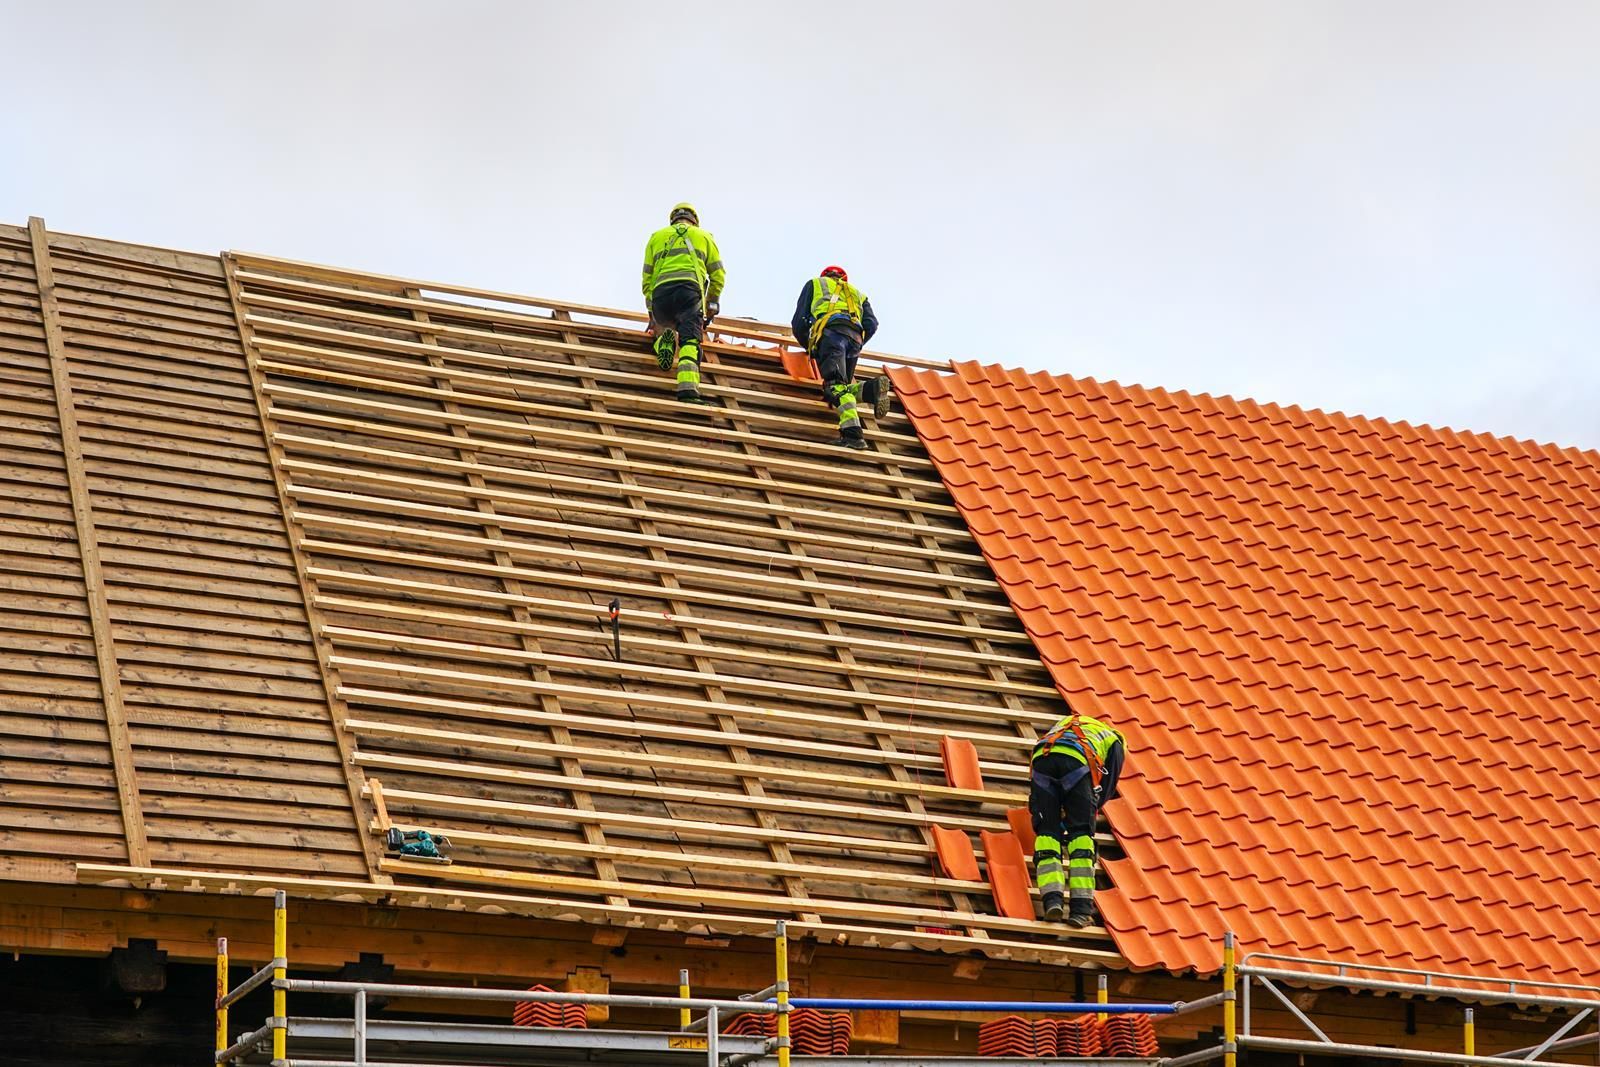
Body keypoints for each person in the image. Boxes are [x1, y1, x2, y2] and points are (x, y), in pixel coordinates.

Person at [1029, 709, 1126, 926]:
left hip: (1042, 760)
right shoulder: (1116, 741)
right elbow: (1105, 790)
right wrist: (1080, 815)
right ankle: (1081, 910)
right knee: (1081, 836)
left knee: (1047, 833)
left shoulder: (1065, 725)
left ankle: (1052, 900)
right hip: (1078, 764)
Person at [789, 266, 891, 449]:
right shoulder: (858, 293)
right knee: (840, 388)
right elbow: (872, 324)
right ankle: (871, 389)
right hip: (855, 339)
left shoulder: (815, 283)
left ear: (825, 275)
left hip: (831, 334)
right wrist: (857, 344)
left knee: (835, 387)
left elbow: (799, 322)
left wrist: (811, 348)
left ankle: (853, 435)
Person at [642, 203, 726, 403]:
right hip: (689, 294)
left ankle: (663, 339)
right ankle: (688, 389)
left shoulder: (656, 237)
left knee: (664, 326)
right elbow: (718, 275)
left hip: (661, 295)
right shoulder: (704, 237)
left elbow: (647, 279)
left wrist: (651, 312)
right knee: (690, 341)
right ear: (694, 219)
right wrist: (712, 302)